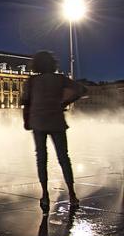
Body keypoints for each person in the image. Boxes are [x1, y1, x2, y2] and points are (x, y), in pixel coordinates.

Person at [22, 51, 86, 213]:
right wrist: (65, 101)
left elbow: (25, 103)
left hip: (38, 121)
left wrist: (26, 121)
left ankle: (44, 194)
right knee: (64, 157)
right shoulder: (59, 79)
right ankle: (72, 194)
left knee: (41, 159)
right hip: (56, 120)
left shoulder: (32, 81)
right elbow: (82, 89)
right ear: (53, 64)